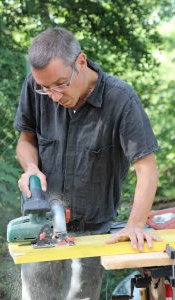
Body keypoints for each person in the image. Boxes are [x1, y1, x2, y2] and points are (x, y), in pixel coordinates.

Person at [14, 27, 160, 300]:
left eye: (60, 84)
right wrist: (31, 168)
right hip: (40, 226)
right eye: (45, 88)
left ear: (81, 62)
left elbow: (147, 170)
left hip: (93, 228)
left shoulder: (121, 100)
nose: (53, 95)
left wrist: (135, 224)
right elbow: (25, 141)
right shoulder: (36, 86)